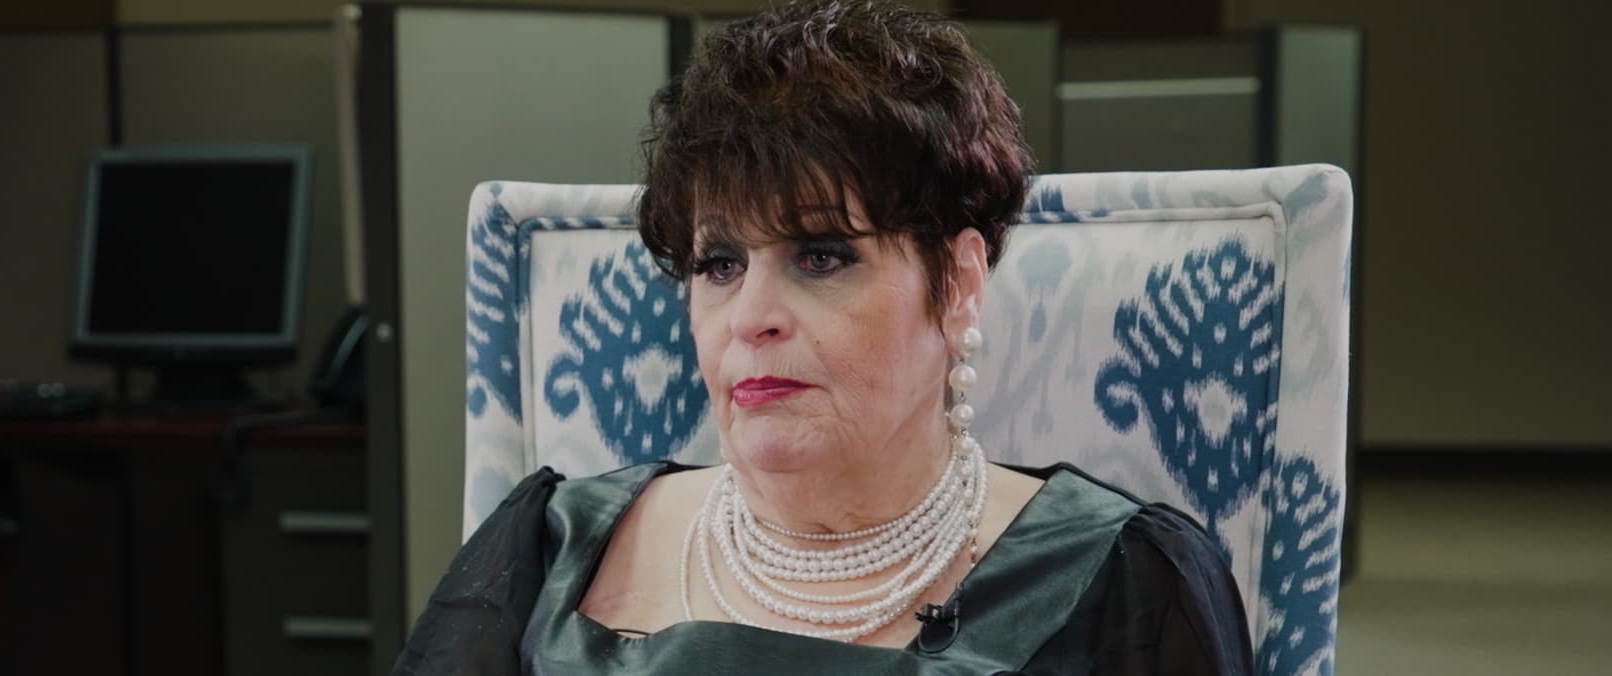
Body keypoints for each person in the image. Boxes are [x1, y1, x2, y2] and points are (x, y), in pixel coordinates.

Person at [395, 1, 1253, 673]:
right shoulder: (548, 548)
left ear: (958, 285)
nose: (750, 316)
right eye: (720, 264)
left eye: (821, 256)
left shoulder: (1125, 579)